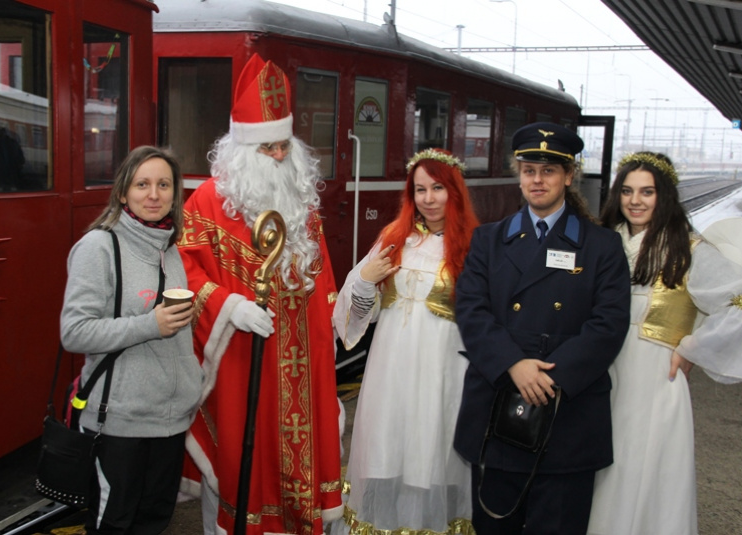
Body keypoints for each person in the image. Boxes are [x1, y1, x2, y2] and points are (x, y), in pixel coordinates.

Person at [177, 53, 343, 535]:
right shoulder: (207, 200)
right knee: (234, 467)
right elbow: (182, 270)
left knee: (293, 459)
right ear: (240, 148)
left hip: (298, 361)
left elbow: (322, 274)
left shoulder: (300, 200)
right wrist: (229, 306)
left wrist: (326, 326)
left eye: (281, 146)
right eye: (265, 147)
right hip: (238, 357)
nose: (276, 157)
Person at [453, 122, 631, 535]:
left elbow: (608, 324)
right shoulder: (489, 241)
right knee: (495, 526)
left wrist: (551, 378)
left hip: (566, 415)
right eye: (529, 169)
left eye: (549, 171)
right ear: (519, 174)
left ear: (569, 177)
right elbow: (471, 310)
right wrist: (514, 364)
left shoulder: (601, 247)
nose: (538, 180)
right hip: (500, 409)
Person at [587, 152, 742, 535]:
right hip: (597, 368)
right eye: (626, 191)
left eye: (648, 191)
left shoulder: (688, 250)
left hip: (653, 375)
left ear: (666, 197)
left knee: (641, 465)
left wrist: (693, 347)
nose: (635, 201)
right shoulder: (602, 243)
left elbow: (741, 301)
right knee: (597, 462)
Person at [332, 148, 480, 535]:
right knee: (390, 441)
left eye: (437, 188)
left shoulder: (475, 246)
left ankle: (429, 524)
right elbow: (359, 309)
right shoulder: (394, 237)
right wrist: (366, 278)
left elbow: (485, 317)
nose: (428, 199)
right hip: (391, 364)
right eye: (419, 190)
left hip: (442, 366)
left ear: (455, 191)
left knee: (431, 446)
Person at [60, 145, 203, 534]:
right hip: (118, 423)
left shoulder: (169, 247)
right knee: (115, 525)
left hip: (170, 421)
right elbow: (74, 331)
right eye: (142, 184)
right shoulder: (99, 247)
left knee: (154, 522)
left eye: (163, 184)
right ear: (123, 192)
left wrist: (192, 381)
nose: (153, 194)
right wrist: (150, 324)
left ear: (175, 194)